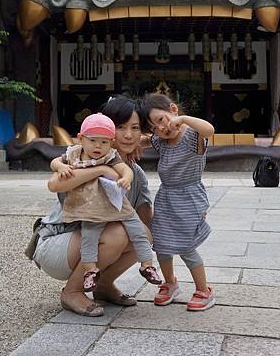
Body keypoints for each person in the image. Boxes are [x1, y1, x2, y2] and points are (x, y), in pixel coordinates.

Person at [30, 95, 153, 317]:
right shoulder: (81, 160)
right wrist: (101, 171)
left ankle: (103, 285)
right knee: (116, 234)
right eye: (120, 126)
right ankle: (72, 291)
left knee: (143, 234)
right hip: (58, 243)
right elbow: (54, 184)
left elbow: (145, 220)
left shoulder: (135, 174)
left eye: (135, 128)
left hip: (89, 245)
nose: (128, 134)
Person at [50, 112, 161, 291]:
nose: (98, 146)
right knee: (90, 239)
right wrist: (63, 167)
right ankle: (85, 277)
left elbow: (125, 170)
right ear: (80, 139)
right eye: (93, 140)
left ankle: (147, 265)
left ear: (110, 142)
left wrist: (126, 178)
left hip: (119, 209)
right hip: (87, 213)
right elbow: (54, 174)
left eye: (103, 142)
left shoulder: (110, 155)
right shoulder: (74, 155)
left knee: (140, 232)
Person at [138, 92, 216, 312]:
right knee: (161, 245)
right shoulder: (160, 141)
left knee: (186, 247)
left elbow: (209, 130)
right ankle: (170, 282)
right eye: (154, 127)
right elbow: (143, 140)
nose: (161, 129)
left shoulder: (192, 136)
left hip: (190, 198)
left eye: (162, 120)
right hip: (166, 198)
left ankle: (204, 290)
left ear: (173, 109)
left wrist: (183, 119)